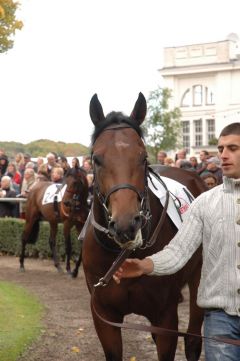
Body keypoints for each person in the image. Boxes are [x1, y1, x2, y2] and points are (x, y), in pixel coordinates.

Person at [114, 122, 240, 360]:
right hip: (220, 319)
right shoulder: (204, 203)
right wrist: (143, 265)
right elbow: (179, 251)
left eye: (232, 148)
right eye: (221, 148)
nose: (223, 155)